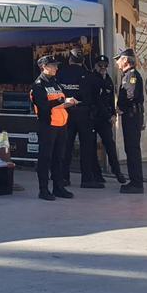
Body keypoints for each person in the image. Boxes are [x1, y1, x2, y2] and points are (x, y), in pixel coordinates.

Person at [30, 55, 77, 201]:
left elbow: (60, 101)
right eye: (53, 65)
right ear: (44, 67)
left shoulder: (55, 82)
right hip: (47, 125)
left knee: (59, 158)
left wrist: (69, 102)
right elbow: (43, 106)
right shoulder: (38, 85)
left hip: (61, 125)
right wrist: (60, 101)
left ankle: (58, 187)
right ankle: (43, 190)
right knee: (45, 158)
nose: (56, 68)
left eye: (56, 65)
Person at [61, 49, 102, 188]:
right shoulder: (88, 75)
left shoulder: (61, 74)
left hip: (66, 114)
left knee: (65, 146)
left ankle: (63, 178)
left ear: (70, 59)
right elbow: (97, 94)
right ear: (83, 61)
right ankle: (87, 179)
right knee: (87, 147)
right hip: (84, 114)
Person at [91, 55, 126, 185]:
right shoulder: (92, 79)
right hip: (94, 117)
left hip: (105, 119)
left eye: (105, 65)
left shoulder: (108, 79)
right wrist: (108, 115)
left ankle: (117, 172)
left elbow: (111, 98)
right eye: (100, 65)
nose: (103, 68)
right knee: (92, 147)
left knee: (110, 145)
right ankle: (97, 174)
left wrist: (113, 114)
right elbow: (97, 101)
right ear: (95, 66)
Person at [115, 49, 146, 194]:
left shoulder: (131, 75)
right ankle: (135, 181)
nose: (117, 62)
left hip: (131, 115)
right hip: (131, 115)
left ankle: (136, 183)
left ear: (126, 61)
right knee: (131, 148)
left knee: (132, 149)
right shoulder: (127, 75)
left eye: (119, 59)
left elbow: (131, 94)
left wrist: (121, 107)